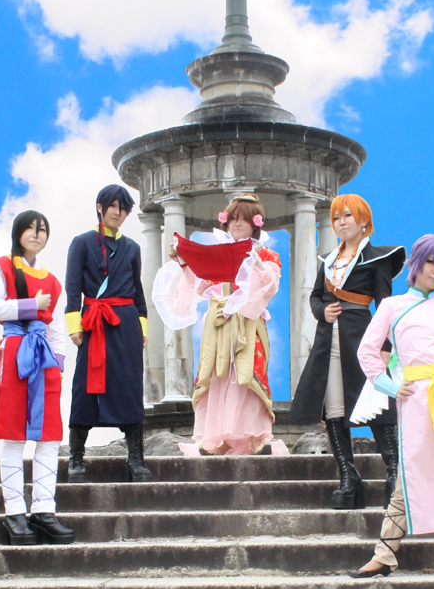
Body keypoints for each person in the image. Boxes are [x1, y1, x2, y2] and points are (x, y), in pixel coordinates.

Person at [348, 234, 434, 579]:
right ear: (416, 263)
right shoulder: (391, 306)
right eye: (431, 262)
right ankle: (384, 553)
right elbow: (367, 352)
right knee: (409, 475)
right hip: (417, 401)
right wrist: (391, 387)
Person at [290, 194, 406, 509]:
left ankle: (394, 475)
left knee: (377, 405)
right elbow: (316, 296)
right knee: (333, 409)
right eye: (336, 218)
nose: (341, 223)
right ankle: (348, 477)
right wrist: (322, 311)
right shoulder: (328, 260)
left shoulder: (377, 258)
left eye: (347, 216)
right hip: (328, 342)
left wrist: (385, 346)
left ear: (363, 220)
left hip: (363, 340)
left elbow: (385, 305)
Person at [153, 194, 287, 455]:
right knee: (217, 376)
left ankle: (253, 438)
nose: (237, 223)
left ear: (255, 223)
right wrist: (184, 261)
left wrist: (254, 262)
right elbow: (199, 283)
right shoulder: (217, 252)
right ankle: (218, 438)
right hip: (219, 322)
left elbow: (269, 286)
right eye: (233, 218)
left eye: (244, 218)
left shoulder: (265, 254)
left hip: (247, 322)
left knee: (246, 374)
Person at [0, 210, 74, 545]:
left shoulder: (52, 280)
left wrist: (58, 363)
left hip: (44, 359)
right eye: (31, 228)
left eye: (42, 230)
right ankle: (14, 513)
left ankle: (44, 511)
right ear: (18, 232)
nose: (37, 234)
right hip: (15, 351)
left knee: (49, 437)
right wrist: (30, 305)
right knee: (14, 436)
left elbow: (56, 325)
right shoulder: (1, 266)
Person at [65, 184, 151, 482]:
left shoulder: (132, 248)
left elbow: (138, 292)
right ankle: (76, 458)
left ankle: (135, 458)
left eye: (123, 208)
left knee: (130, 387)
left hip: (126, 324)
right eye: (112, 205)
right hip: (94, 323)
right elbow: (72, 288)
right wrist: (74, 326)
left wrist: (142, 328)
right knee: (85, 387)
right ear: (100, 207)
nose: (117, 212)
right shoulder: (82, 243)